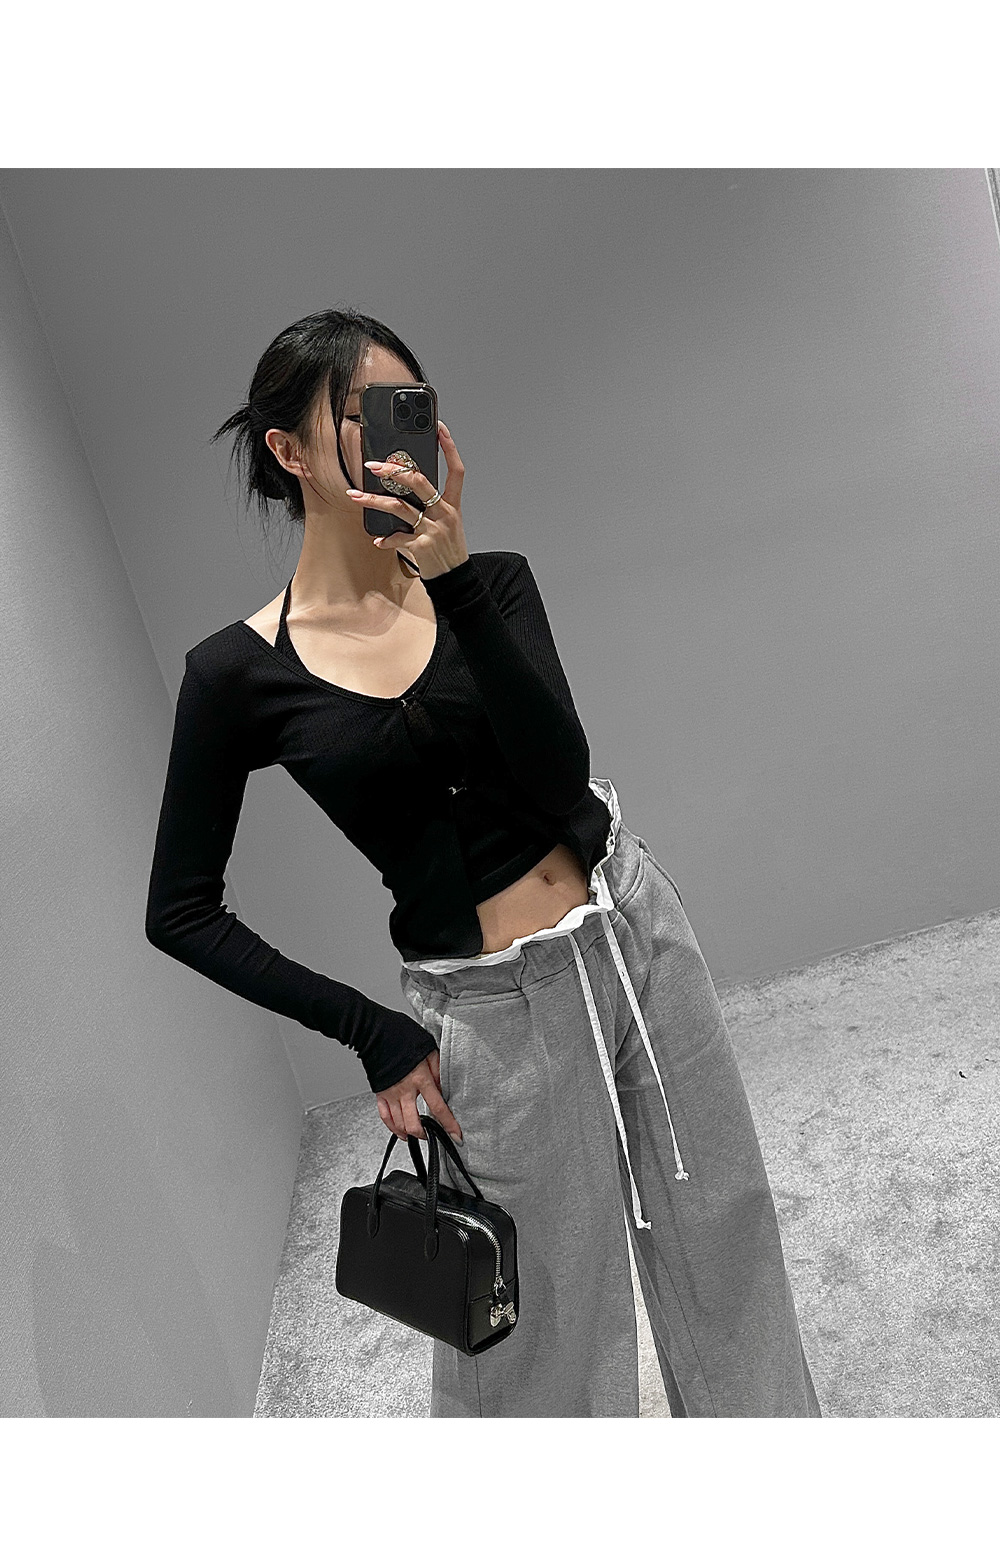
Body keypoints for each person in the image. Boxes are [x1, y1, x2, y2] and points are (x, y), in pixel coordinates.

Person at [146, 306, 821, 1419]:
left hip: (632, 934)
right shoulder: (236, 675)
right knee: (534, 1334)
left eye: (409, 407)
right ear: (289, 450)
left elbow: (560, 780)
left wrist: (454, 580)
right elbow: (179, 909)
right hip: (494, 1017)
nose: (395, 438)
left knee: (724, 1239)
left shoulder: (490, 583)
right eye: (360, 415)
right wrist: (373, 1033)